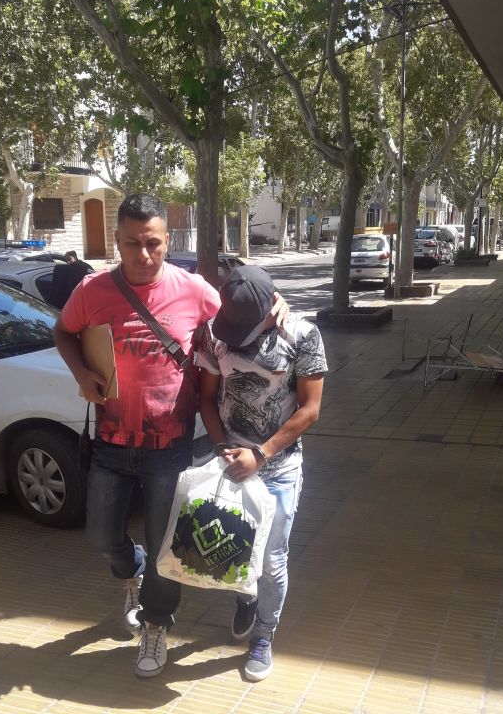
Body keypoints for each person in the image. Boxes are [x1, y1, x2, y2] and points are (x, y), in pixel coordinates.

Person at [53, 194, 286, 679]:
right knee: (101, 537)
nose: (143, 254)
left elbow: (242, 310)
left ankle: (156, 625)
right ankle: (131, 570)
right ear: (116, 240)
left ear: (166, 240)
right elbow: (63, 332)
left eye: (153, 243)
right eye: (132, 243)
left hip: (170, 447)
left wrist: (276, 299)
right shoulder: (93, 290)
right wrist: (80, 372)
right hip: (112, 441)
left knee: (167, 549)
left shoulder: (193, 290)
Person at [196, 266, 326, 682]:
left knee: (271, 560)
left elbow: (310, 408)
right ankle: (246, 598)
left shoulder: (302, 336)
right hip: (231, 464)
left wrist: (262, 453)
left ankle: (264, 636)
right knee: (236, 548)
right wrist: (222, 448)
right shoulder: (213, 332)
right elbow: (207, 398)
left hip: (279, 467)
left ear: (271, 306)